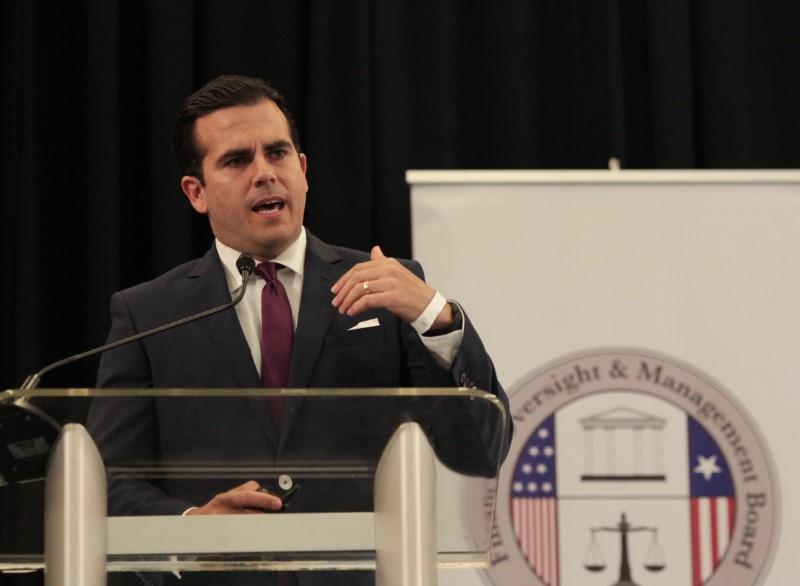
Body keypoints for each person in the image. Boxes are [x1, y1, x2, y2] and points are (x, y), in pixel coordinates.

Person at [87, 75, 510, 585]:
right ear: (196, 192)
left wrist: (438, 318)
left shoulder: (389, 288)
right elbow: (107, 482)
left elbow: (482, 449)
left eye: (278, 152)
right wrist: (191, 528)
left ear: (302, 169)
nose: (265, 174)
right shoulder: (148, 314)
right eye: (237, 160)